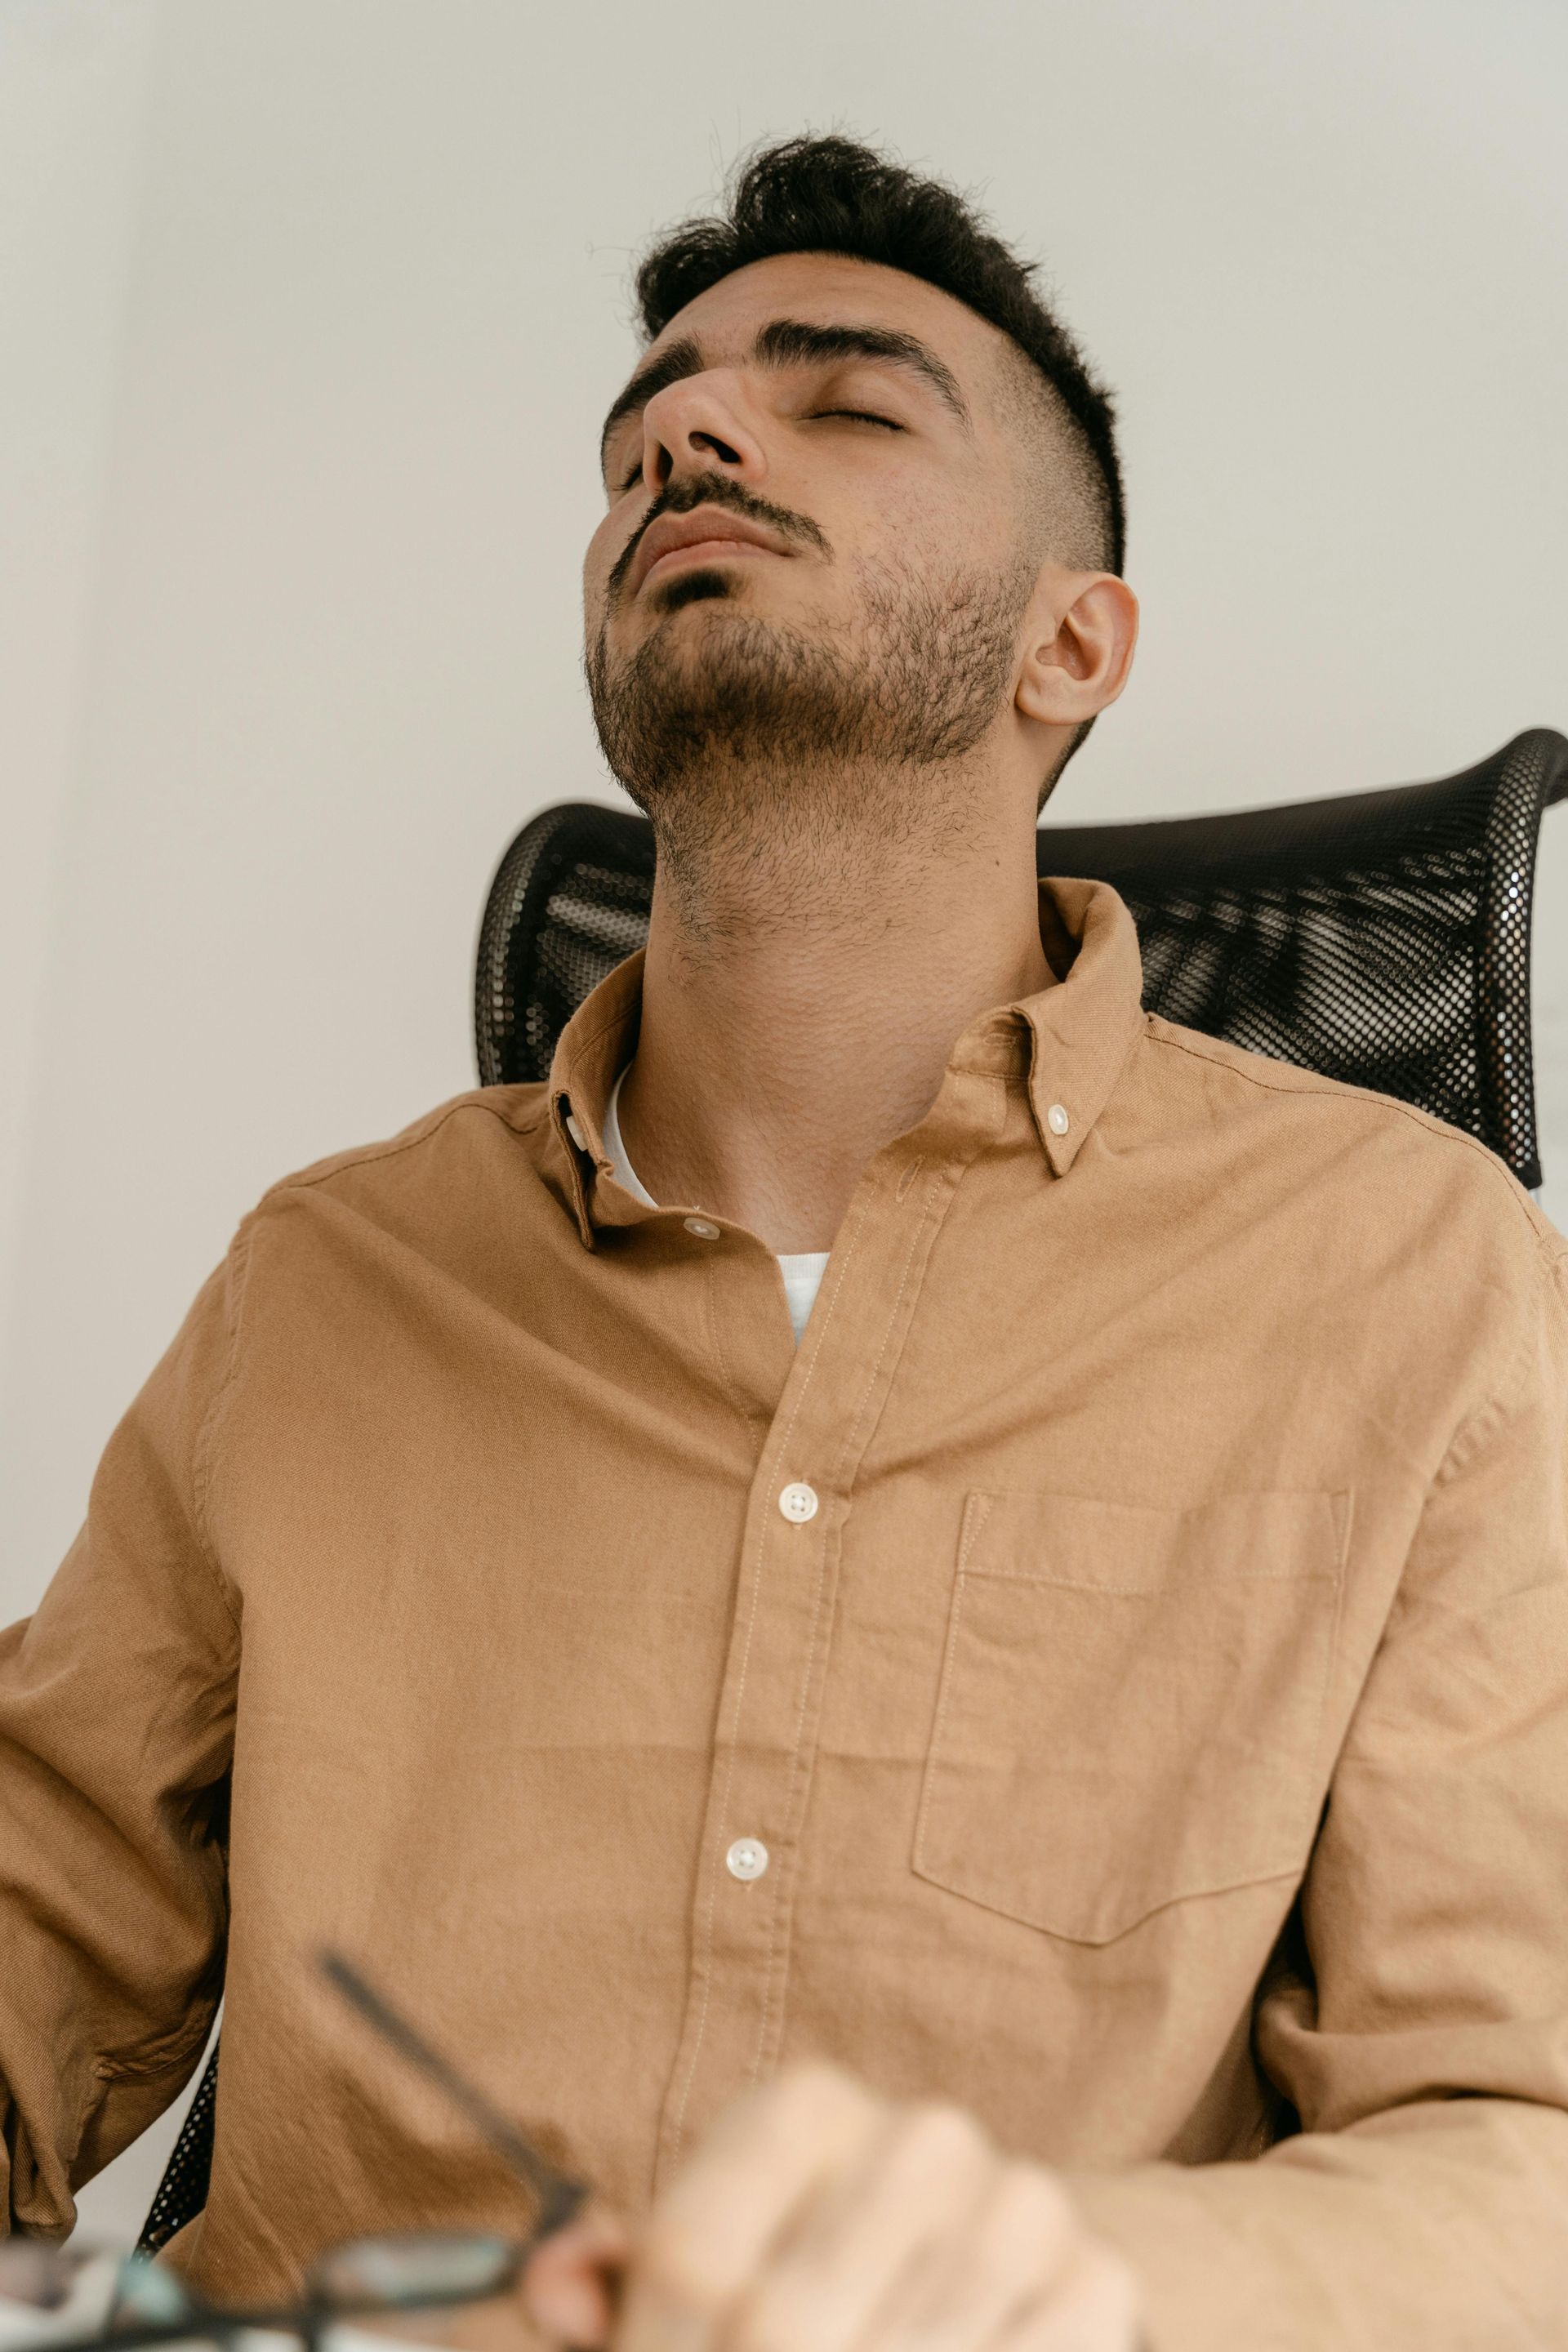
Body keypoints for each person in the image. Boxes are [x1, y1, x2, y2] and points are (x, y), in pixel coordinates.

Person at [2, 134, 1566, 2352]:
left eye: (841, 401)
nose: (687, 434)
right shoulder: (325, 1282)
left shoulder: (1426, 1279)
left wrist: (1090, 2282)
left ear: (1071, 639)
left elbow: (1523, 2149)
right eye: (649, 424)